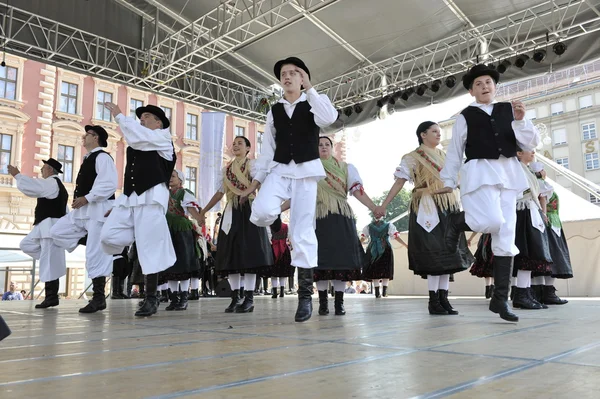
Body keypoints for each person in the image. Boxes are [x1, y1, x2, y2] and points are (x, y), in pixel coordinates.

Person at [438, 64, 540, 322]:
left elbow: (530, 144)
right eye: (479, 84)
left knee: (506, 235)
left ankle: (500, 300)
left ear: (495, 86)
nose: (485, 87)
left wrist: (520, 120)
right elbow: (455, 149)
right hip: (480, 172)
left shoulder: (509, 110)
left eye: (488, 82)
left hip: (508, 173)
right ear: (472, 91)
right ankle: (456, 221)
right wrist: (449, 179)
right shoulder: (465, 116)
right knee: (491, 221)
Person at [239, 57, 338, 322]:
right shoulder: (274, 110)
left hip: (305, 172)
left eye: (294, 73)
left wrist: (311, 90)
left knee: (303, 231)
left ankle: (305, 298)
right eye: (284, 73)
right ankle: (278, 223)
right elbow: (267, 148)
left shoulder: (314, 102)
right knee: (260, 211)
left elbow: (330, 118)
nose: (288, 76)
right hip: (280, 170)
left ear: (303, 78)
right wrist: (256, 182)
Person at [376, 122, 473, 315]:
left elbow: (460, 182)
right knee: (433, 252)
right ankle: (433, 299)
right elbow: (400, 181)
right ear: (423, 135)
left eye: (439, 131)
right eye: (434, 131)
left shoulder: (445, 156)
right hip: (427, 207)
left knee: (448, 252)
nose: (438, 135)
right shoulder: (413, 157)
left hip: (448, 206)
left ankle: (444, 298)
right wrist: (384, 205)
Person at [100, 103, 177, 317]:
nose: (142, 119)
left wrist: (120, 116)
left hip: (151, 199)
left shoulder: (163, 139)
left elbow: (138, 136)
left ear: (159, 123)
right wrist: (117, 206)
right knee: (108, 235)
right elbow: (135, 144)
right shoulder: (136, 144)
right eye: (141, 117)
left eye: (147, 117)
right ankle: (139, 240)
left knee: (149, 250)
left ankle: (151, 298)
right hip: (129, 199)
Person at [199, 136, 273, 314]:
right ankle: (235, 297)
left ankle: (248, 298)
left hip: (249, 211)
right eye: (234, 143)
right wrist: (203, 211)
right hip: (232, 211)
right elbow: (219, 193)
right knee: (231, 255)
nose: (236, 145)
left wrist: (262, 203)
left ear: (248, 147)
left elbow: (259, 184)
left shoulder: (253, 165)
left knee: (249, 255)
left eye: (240, 143)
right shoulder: (226, 171)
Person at [50, 125, 118, 313]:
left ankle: (98, 298)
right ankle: (98, 243)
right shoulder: (88, 158)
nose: (84, 136)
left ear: (96, 138)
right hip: (83, 212)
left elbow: (110, 184)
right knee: (57, 232)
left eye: (87, 134)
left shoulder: (103, 157)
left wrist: (87, 197)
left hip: (98, 210)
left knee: (94, 255)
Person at [314, 136, 376, 316]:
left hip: (341, 216)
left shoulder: (346, 168)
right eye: (320, 145)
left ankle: (339, 302)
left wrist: (373, 207)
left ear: (333, 148)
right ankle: (323, 303)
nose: (324, 147)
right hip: (319, 216)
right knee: (320, 261)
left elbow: (357, 191)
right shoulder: (309, 168)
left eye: (327, 144)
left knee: (340, 262)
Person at [8, 159, 67, 309]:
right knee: (26, 245)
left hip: (50, 228)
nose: (41, 170)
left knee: (48, 260)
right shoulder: (56, 185)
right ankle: (50, 266)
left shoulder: (52, 182)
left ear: (50, 170)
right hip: (47, 227)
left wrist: (18, 175)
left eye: (43, 168)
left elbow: (34, 187)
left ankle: (51, 296)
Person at [510, 148, 553, 310]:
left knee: (531, 254)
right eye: (530, 149)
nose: (533, 152)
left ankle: (525, 293)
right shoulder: (515, 168)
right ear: (519, 153)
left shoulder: (526, 169)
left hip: (530, 210)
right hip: (523, 211)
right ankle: (521, 294)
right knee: (525, 254)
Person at [161, 169, 204, 311]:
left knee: (183, 263)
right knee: (171, 266)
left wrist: (199, 218)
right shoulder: (164, 193)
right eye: (169, 176)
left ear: (180, 180)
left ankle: (184, 298)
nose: (170, 179)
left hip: (182, 230)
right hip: (168, 229)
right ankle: (174, 299)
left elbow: (191, 210)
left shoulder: (184, 193)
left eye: (173, 176)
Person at [530, 164, 572, 305]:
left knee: (541, 258)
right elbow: (543, 199)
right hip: (549, 225)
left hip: (545, 223)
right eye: (542, 169)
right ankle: (547, 293)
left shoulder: (535, 184)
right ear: (540, 172)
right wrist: (544, 214)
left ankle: (539, 292)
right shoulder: (542, 184)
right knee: (552, 257)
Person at [361, 218, 406, 298]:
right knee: (385, 270)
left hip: (373, 249)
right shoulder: (388, 225)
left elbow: (363, 237)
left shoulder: (369, 226)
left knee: (376, 271)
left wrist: (357, 244)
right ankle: (383, 292)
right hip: (385, 248)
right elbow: (395, 236)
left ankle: (378, 292)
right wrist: (405, 245)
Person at [268, 215, 294, 299]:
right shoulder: (286, 226)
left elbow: (269, 238)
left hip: (273, 250)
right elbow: (290, 237)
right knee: (283, 272)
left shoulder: (269, 226)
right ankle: (282, 291)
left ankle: (274, 292)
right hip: (284, 250)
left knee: (274, 273)